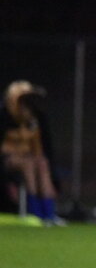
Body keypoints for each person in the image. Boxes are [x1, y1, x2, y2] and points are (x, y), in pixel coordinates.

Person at [1, 80, 64, 225]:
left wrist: (54, 182)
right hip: (8, 160)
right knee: (29, 165)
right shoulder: (4, 117)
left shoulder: (36, 119)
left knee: (41, 163)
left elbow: (41, 149)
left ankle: (50, 214)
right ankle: (35, 213)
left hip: (29, 158)